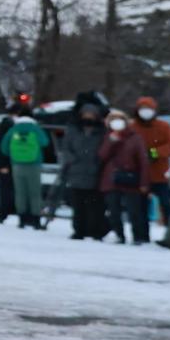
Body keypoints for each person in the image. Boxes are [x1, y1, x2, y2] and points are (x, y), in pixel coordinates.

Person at [99, 109, 151, 246]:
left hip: (130, 178)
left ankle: (138, 236)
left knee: (134, 211)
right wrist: (111, 141)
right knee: (113, 211)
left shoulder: (135, 137)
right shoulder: (106, 136)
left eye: (119, 119)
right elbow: (101, 156)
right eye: (113, 119)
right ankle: (118, 235)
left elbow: (144, 160)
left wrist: (144, 182)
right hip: (110, 179)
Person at [59, 95, 109, 240]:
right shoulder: (73, 129)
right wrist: (72, 160)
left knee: (95, 206)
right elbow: (66, 148)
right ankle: (79, 230)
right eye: (86, 114)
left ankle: (95, 230)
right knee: (78, 206)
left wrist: (98, 163)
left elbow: (105, 150)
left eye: (92, 114)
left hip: (95, 174)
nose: (88, 117)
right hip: (76, 172)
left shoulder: (102, 131)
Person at [0, 106, 48, 229]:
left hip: (17, 164)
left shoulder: (13, 129)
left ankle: (22, 219)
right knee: (35, 192)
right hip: (34, 164)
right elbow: (45, 142)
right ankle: (36, 220)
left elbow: (4, 147)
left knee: (20, 192)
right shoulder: (36, 129)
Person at [133, 96, 170, 229]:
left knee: (166, 204)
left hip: (160, 174)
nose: (146, 111)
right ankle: (142, 235)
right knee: (141, 207)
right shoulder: (132, 127)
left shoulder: (164, 126)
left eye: (148, 109)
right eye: (143, 108)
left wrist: (153, 153)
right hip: (139, 174)